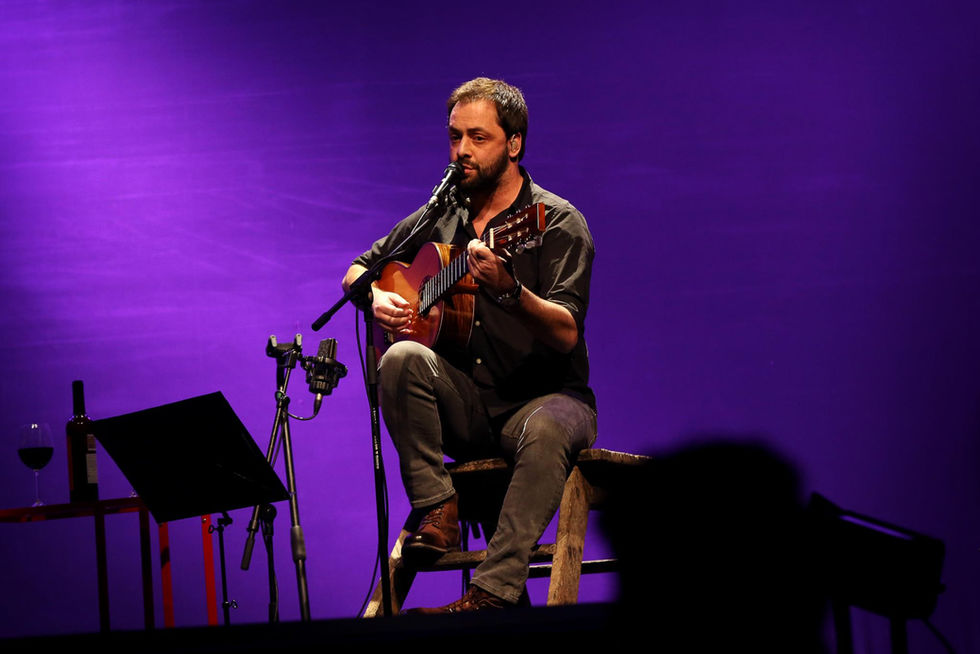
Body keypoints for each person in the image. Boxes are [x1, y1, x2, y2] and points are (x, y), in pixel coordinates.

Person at [342, 77, 597, 612]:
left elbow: (566, 329)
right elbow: (359, 270)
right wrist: (375, 301)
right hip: (473, 408)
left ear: (514, 143)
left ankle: (494, 591)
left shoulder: (553, 222)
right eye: (455, 137)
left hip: (546, 400)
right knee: (402, 355)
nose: (461, 151)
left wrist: (509, 291)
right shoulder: (442, 215)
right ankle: (438, 507)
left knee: (548, 426)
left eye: (477, 138)